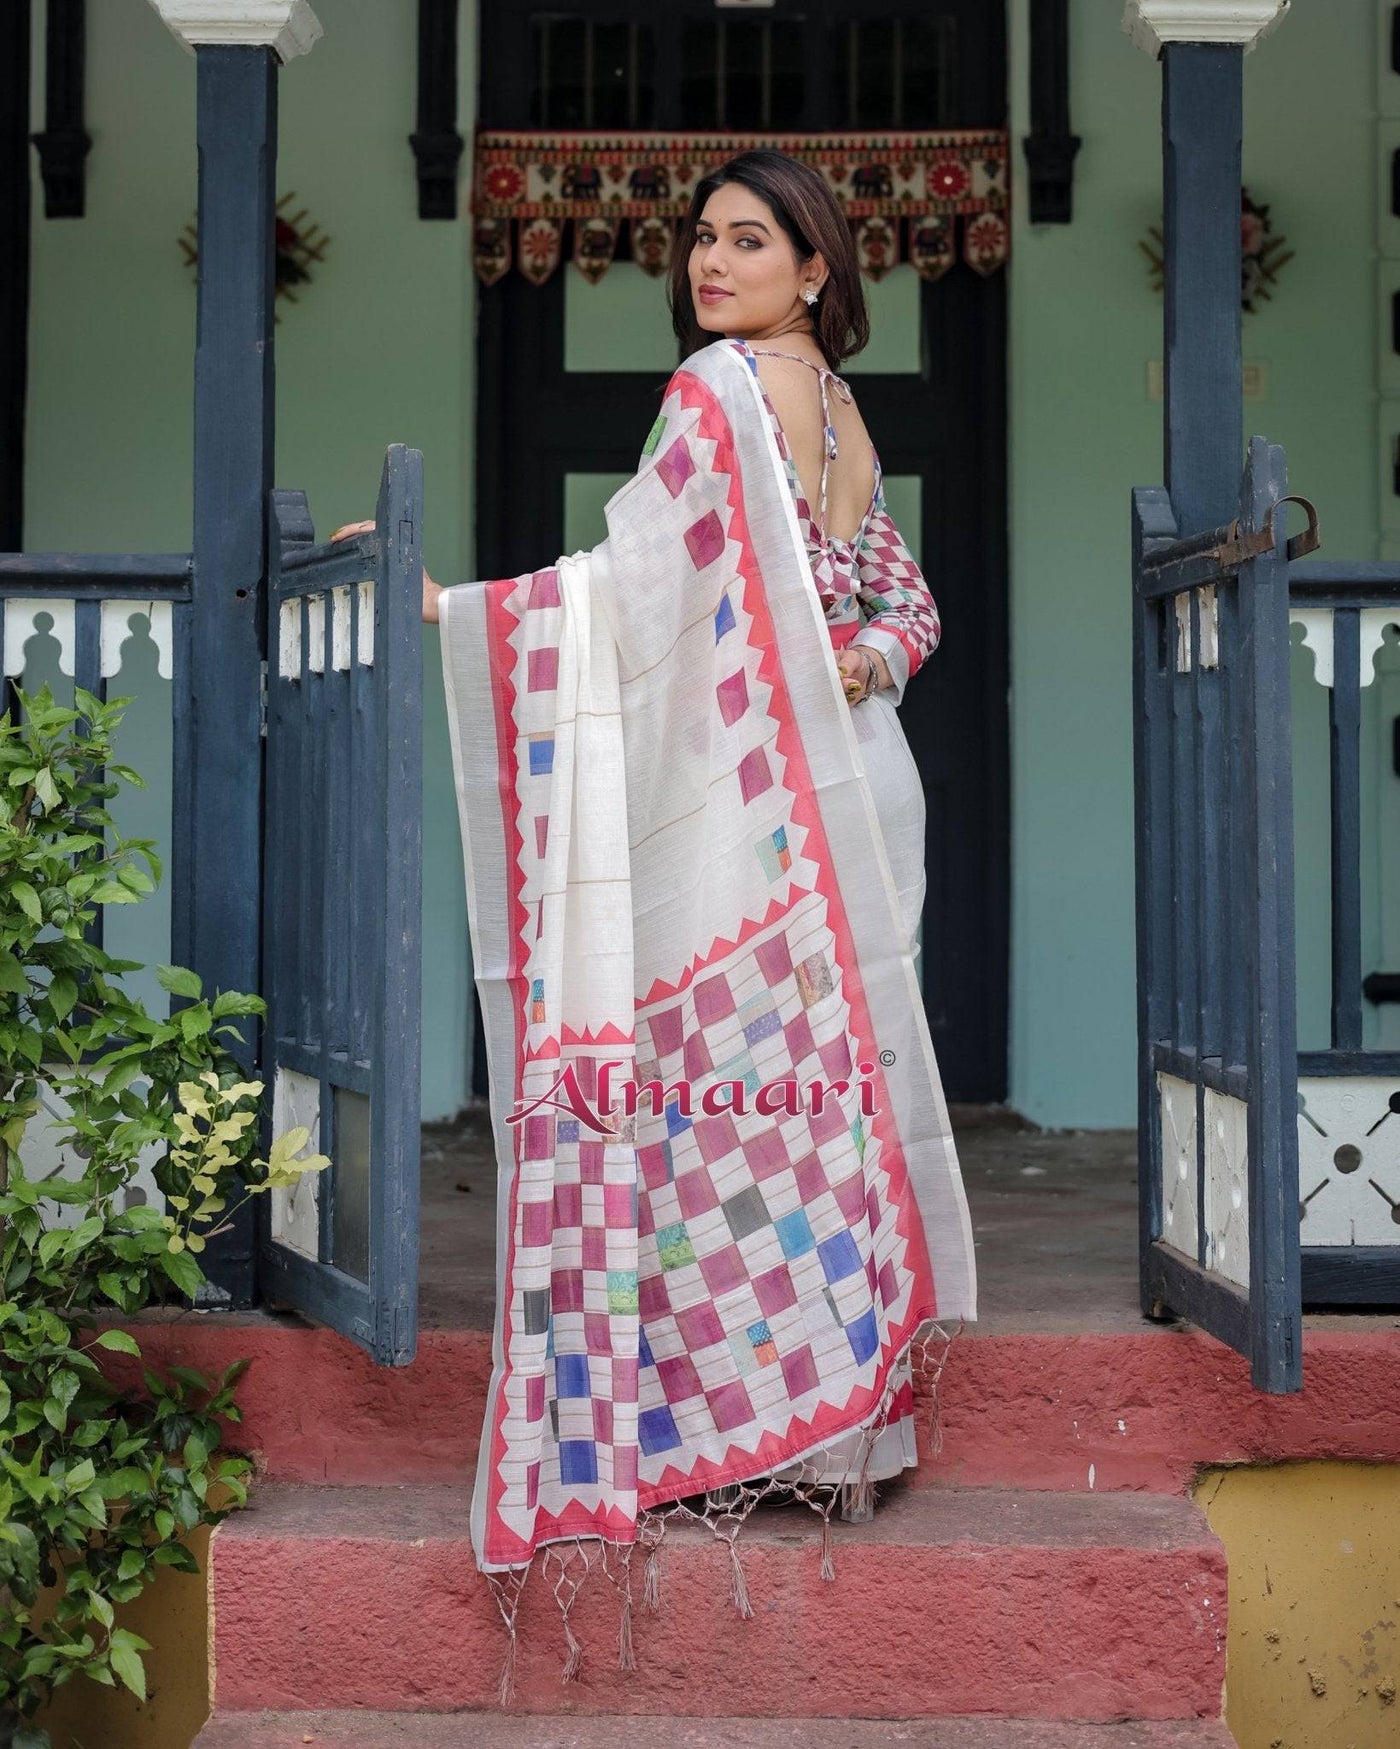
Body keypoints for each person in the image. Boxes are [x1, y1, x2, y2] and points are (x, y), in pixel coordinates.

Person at [332, 148, 974, 1677]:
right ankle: (847, 1437)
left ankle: (760, 1427)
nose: (711, 260)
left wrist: (450, 611)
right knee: (825, 1103)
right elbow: (910, 608)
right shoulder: (847, 415)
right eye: (700, 237)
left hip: (766, 809)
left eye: (750, 239)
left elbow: (623, 595)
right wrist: (854, 675)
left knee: (738, 1112)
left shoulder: (716, 396)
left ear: (818, 267)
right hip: (864, 789)